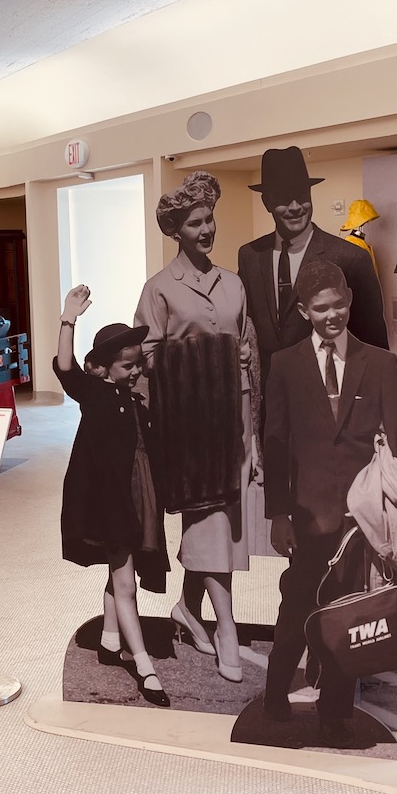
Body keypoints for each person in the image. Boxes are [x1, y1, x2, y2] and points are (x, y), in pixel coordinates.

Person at [261, 260, 397, 729]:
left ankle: (336, 710)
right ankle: (273, 696)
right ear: (305, 311)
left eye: (340, 305)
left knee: (350, 614)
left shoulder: (380, 364)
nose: (333, 315)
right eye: (321, 308)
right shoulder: (285, 365)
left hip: (360, 519)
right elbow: (276, 444)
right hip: (306, 516)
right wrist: (278, 514)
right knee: (297, 607)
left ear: (350, 301)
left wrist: (390, 513)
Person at [135, 172, 256, 683]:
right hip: (188, 430)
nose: (206, 229)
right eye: (195, 222)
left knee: (225, 523)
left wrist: (255, 428)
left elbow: (251, 355)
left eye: (210, 219)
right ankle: (225, 628)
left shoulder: (234, 284)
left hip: (235, 421)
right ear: (176, 230)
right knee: (211, 523)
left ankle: (188, 607)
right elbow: (143, 357)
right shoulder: (159, 289)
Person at [55, 286, 169, 708]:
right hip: (111, 501)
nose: (136, 370)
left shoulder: (136, 403)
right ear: (103, 369)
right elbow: (66, 369)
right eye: (127, 365)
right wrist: (69, 319)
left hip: (137, 498)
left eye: (139, 363)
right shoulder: (97, 394)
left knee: (121, 569)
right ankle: (144, 665)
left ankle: (109, 639)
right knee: (125, 582)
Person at [238, 146, 388, 375]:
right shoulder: (251, 256)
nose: (296, 207)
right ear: (266, 202)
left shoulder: (350, 258)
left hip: (331, 401)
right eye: (284, 199)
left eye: (302, 196)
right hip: (271, 402)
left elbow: (375, 345)